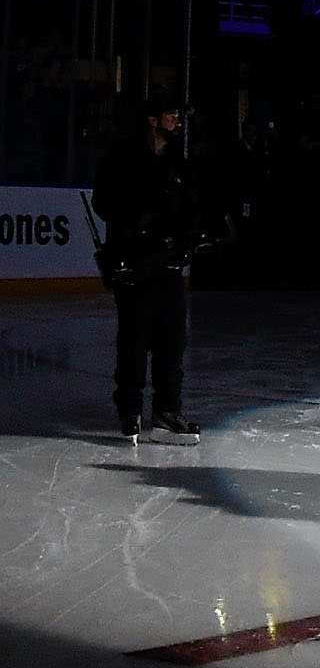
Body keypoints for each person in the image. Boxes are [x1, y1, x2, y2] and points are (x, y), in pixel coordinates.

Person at [94, 93, 203, 444]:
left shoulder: (177, 163)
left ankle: (166, 409)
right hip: (133, 261)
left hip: (167, 265)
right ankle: (130, 409)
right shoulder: (122, 157)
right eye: (172, 114)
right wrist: (135, 219)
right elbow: (102, 200)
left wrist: (187, 237)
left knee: (172, 338)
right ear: (153, 119)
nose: (178, 121)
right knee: (134, 337)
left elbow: (189, 209)